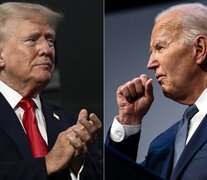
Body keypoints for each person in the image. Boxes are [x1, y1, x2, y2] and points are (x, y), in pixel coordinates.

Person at [0, 2, 102, 180]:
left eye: (50, 40)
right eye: (32, 40)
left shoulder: (71, 122)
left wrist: (77, 167)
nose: (47, 50)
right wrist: (47, 163)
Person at [106, 2, 207, 180]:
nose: (150, 63)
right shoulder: (161, 146)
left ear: (199, 49)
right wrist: (128, 121)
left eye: (160, 48)